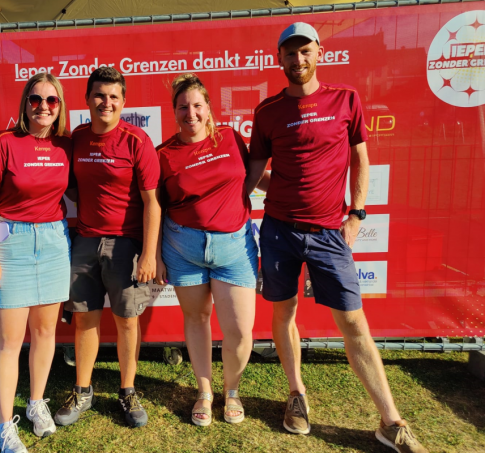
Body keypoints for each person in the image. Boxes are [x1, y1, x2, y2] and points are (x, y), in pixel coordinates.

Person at [246, 22, 427, 453]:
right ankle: (296, 393)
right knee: (283, 312)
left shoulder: (346, 99)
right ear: (279, 59)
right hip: (278, 231)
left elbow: (361, 158)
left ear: (319, 53)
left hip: (330, 232)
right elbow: (254, 172)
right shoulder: (267, 111)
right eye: (290, 53)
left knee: (353, 323)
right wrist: (230, 204)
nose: (298, 59)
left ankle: (391, 422)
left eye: (305, 51)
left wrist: (357, 213)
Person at [156, 74, 270, 426]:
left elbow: (253, 177)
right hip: (182, 248)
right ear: (174, 111)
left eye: (197, 105)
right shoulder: (163, 154)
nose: (190, 113)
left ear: (208, 108)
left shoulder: (232, 138)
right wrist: (155, 255)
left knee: (240, 330)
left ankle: (231, 390)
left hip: (234, 247)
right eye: (182, 107)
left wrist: (293, 189)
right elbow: (155, 208)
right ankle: (204, 391)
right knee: (197, 319)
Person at [54, 67, 161, 429]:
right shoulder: (78, 138)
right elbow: (70, 186)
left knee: (127, 321)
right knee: (84, 318)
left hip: (125, 244)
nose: (106, 102)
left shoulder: (137, 140)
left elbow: (152, 202)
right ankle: (83, 391)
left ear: (123, 102)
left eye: (114, 96)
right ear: (87, 99)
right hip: (85, 240)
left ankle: (128, 391)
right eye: (100, 95)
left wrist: (149, 254)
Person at [0, 73, 72, 453]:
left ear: (60, 106)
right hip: (11, 244)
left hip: (53, 242)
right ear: (25, 103)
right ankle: (5, 426)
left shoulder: (66, 145)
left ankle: (35, 403)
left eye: (51, 100)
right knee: (9, 342)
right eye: (35, 99)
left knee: (45, 333)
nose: (43, 107)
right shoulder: (3, 142)